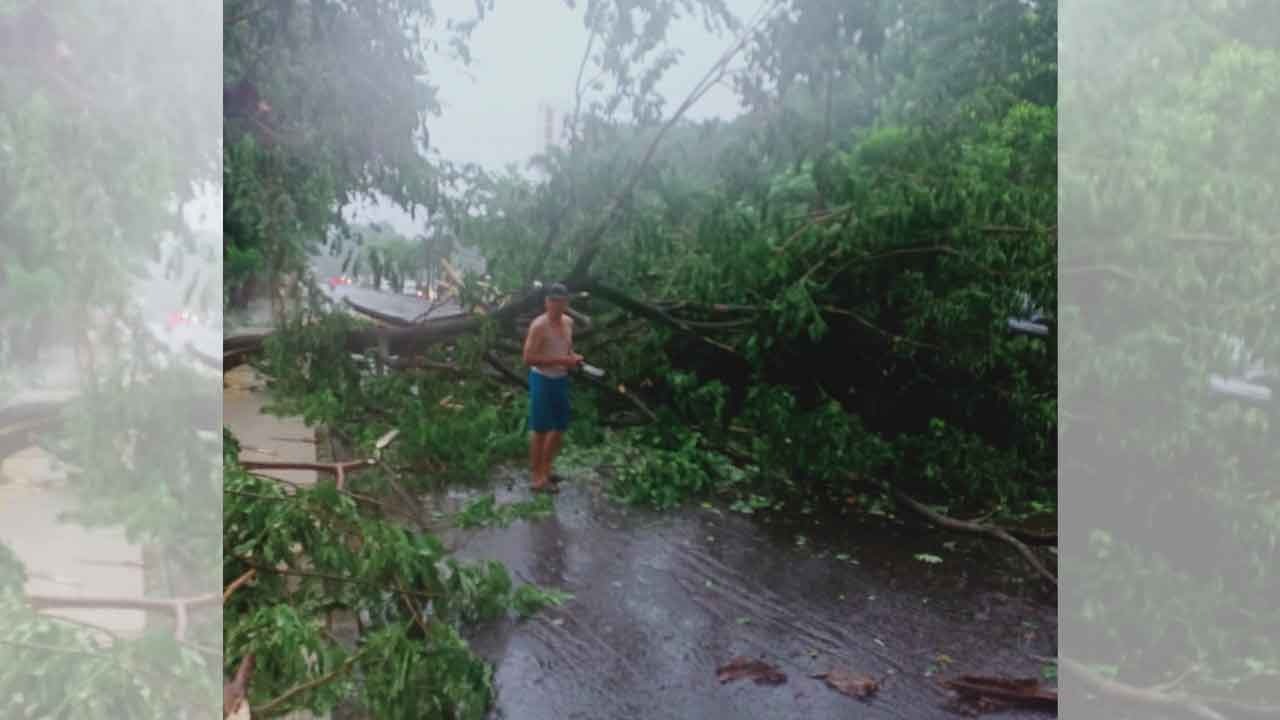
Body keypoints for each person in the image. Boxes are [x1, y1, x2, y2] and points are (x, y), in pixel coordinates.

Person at [522, 283, 583, 493]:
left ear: (567, 302)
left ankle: (546, 470)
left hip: (560, 379)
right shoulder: (539, 326)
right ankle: (537, 478)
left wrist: (572, 358)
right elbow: (528, 358)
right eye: (551, 301)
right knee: (540, 429)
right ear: (546, 302)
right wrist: (562, 360)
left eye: (560, 301)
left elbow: (567, 348)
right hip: (542, 379)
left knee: (560, 426)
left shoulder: (568, 322)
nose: (555, 305)